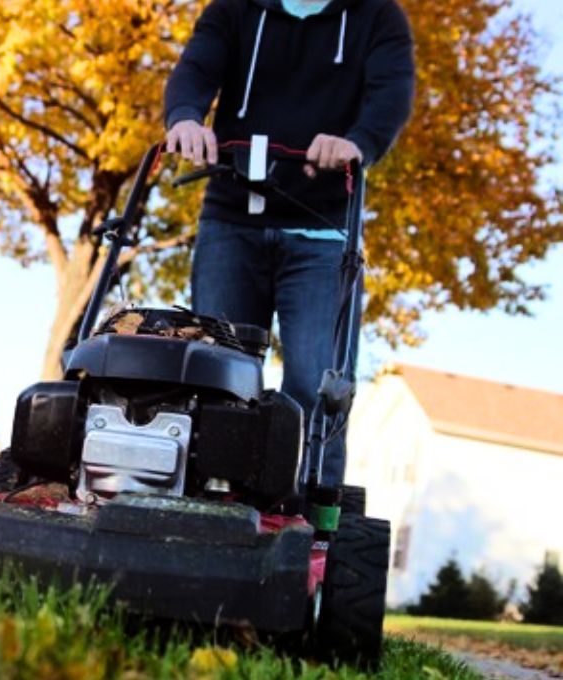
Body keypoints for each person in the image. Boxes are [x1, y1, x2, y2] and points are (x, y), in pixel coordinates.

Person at [164, 0, 415, 487]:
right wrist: (185, 116)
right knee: (218, 374)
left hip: (322, 233)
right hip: (232, 221)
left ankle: (308, 530)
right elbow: (196, 67)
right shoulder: (234, 10)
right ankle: (210, 505)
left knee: (317, 383)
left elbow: (391, 93)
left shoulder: (377, 17)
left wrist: (359, 142)